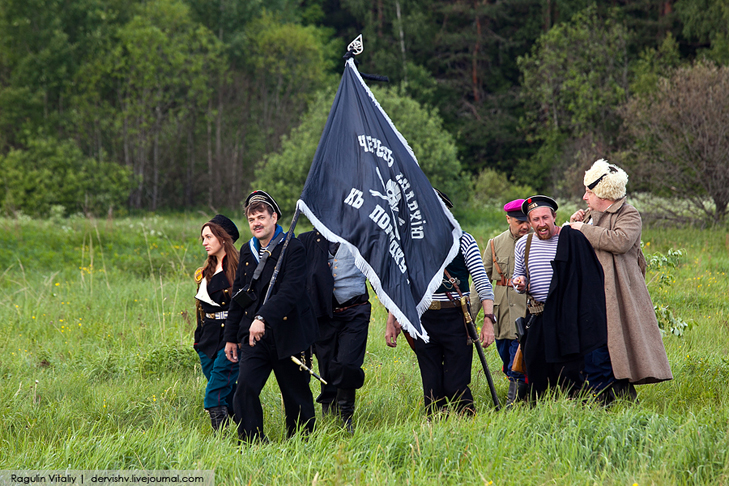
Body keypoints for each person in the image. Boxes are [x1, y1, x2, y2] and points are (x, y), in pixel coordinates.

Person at [568, 159, 672, 400]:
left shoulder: (629, 214)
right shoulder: (589, 217)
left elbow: (620, 241)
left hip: (618, 296)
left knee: (613, 350)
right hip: (592, 296)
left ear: (602, 193)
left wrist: (582, 229)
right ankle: (614, 401)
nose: (585, 197)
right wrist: (579, 223)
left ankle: (613, 403)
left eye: (588, 191)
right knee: (598, 351)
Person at [386, 190, 495, 416]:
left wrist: (488, 320)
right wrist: (392, 319)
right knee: (431, 384)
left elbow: (482, 282)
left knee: (457, 383)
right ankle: (436, 431)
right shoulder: (410, 244)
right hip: (423, 319)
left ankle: (466, 423)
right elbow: (401, 285)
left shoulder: (464, 240)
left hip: (457, 318)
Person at [224, 191, 318, 443]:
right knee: (244, 389)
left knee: (296, 394)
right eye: (252, 218)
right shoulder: (247, 250)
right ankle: (252, 443)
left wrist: (263, 317)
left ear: (274, 217)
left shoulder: (293, 247)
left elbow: (291, 291)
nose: (256, 222)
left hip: (290, 333)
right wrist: (231, 336)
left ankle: (302, 444)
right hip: (255, 338)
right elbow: (239, 295)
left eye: (261, 217)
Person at [512, 195, 608, 398]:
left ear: (554, 216)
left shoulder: (569, 241)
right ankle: (542, 411)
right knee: (537, 370)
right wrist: (519, 283)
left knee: (569, 371)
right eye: (536, 220)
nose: (542, 224)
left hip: (566, 319)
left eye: (545, 218)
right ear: (529, 223)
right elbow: (518, 278)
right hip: (537, 316)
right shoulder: (523, 244)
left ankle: (574, 409)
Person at [299, 230, 371, 432]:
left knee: (347, 363)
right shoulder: (307, 240)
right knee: (327, 364)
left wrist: (393, 313)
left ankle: (346, 413)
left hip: (355, 310)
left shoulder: (360, 237)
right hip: (323, 314)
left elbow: (379, 275)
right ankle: (329, 414)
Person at [470, 199, 530, 407]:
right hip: (501, 314)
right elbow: (480, 281)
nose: (525, 225)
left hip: (526, 310)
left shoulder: (537, 242)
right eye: (519, 221)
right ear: (508, 219)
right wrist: (469, 315)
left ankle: (514, 405)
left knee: (519, 361)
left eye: (527, 221)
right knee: (506, 356)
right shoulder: (494, 243)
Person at [194, 215, 240, 431]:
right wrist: (198, 340)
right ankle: (249, 429)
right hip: (207, 341)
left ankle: (220, 441)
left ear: (223, 239)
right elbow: (201, 308)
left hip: (230, 338)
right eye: (203, 237)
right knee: (227, 390)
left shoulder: (239, 268)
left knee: (216, 389)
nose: (204, 242)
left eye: (209, 237)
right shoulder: (206, 271)